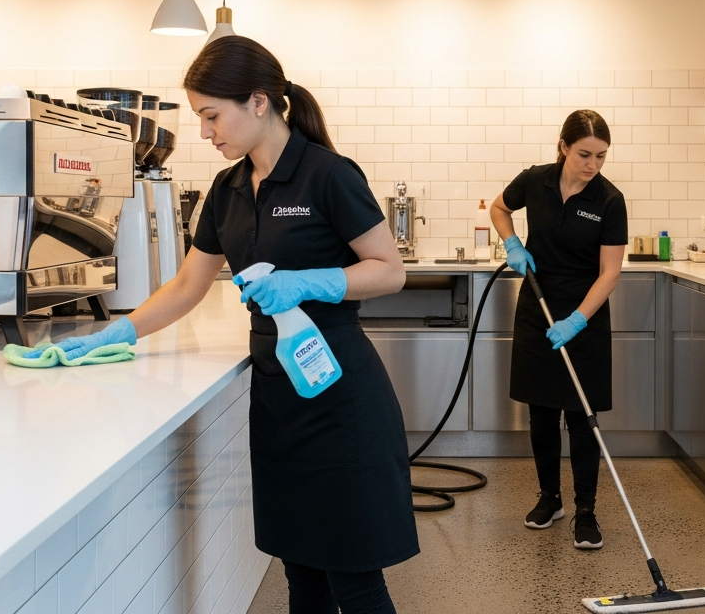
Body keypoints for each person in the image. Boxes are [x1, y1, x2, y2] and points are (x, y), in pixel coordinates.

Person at [28, 36, 416, 613]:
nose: (206, 132)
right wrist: (117, 332)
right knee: (301, 573)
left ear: (258, 102)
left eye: (211, 116)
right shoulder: (229, 188)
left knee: (353, 577)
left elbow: (390, 271)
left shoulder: (327, 174)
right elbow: (188, 285)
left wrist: (312, 281)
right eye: (199, 118)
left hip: (338, 393)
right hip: (279, 398)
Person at [489, 109, 627, 551]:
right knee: (542, 412)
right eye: (585, 154)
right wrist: (511, 242)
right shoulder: (536, 181)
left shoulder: (609, 200)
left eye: (602, 157)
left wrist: (577, 320)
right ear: (564, 147)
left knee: (582, 418)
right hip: (536, 305)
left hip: (583, 315)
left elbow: (609, 273)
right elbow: (499, 207)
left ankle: (586, 510)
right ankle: (550, 497)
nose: (593, 165)